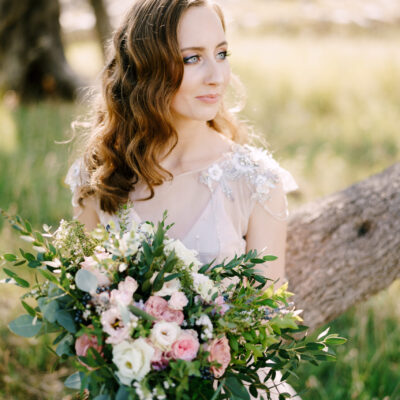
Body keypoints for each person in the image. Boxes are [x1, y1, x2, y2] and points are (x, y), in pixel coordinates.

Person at [66, 0, 300, 398]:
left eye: (222, 54)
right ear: (147, 67)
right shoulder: (99, 175)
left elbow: (266, 322)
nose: (217, 76)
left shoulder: (256, 181)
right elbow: (85, 311)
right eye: (193, 59)